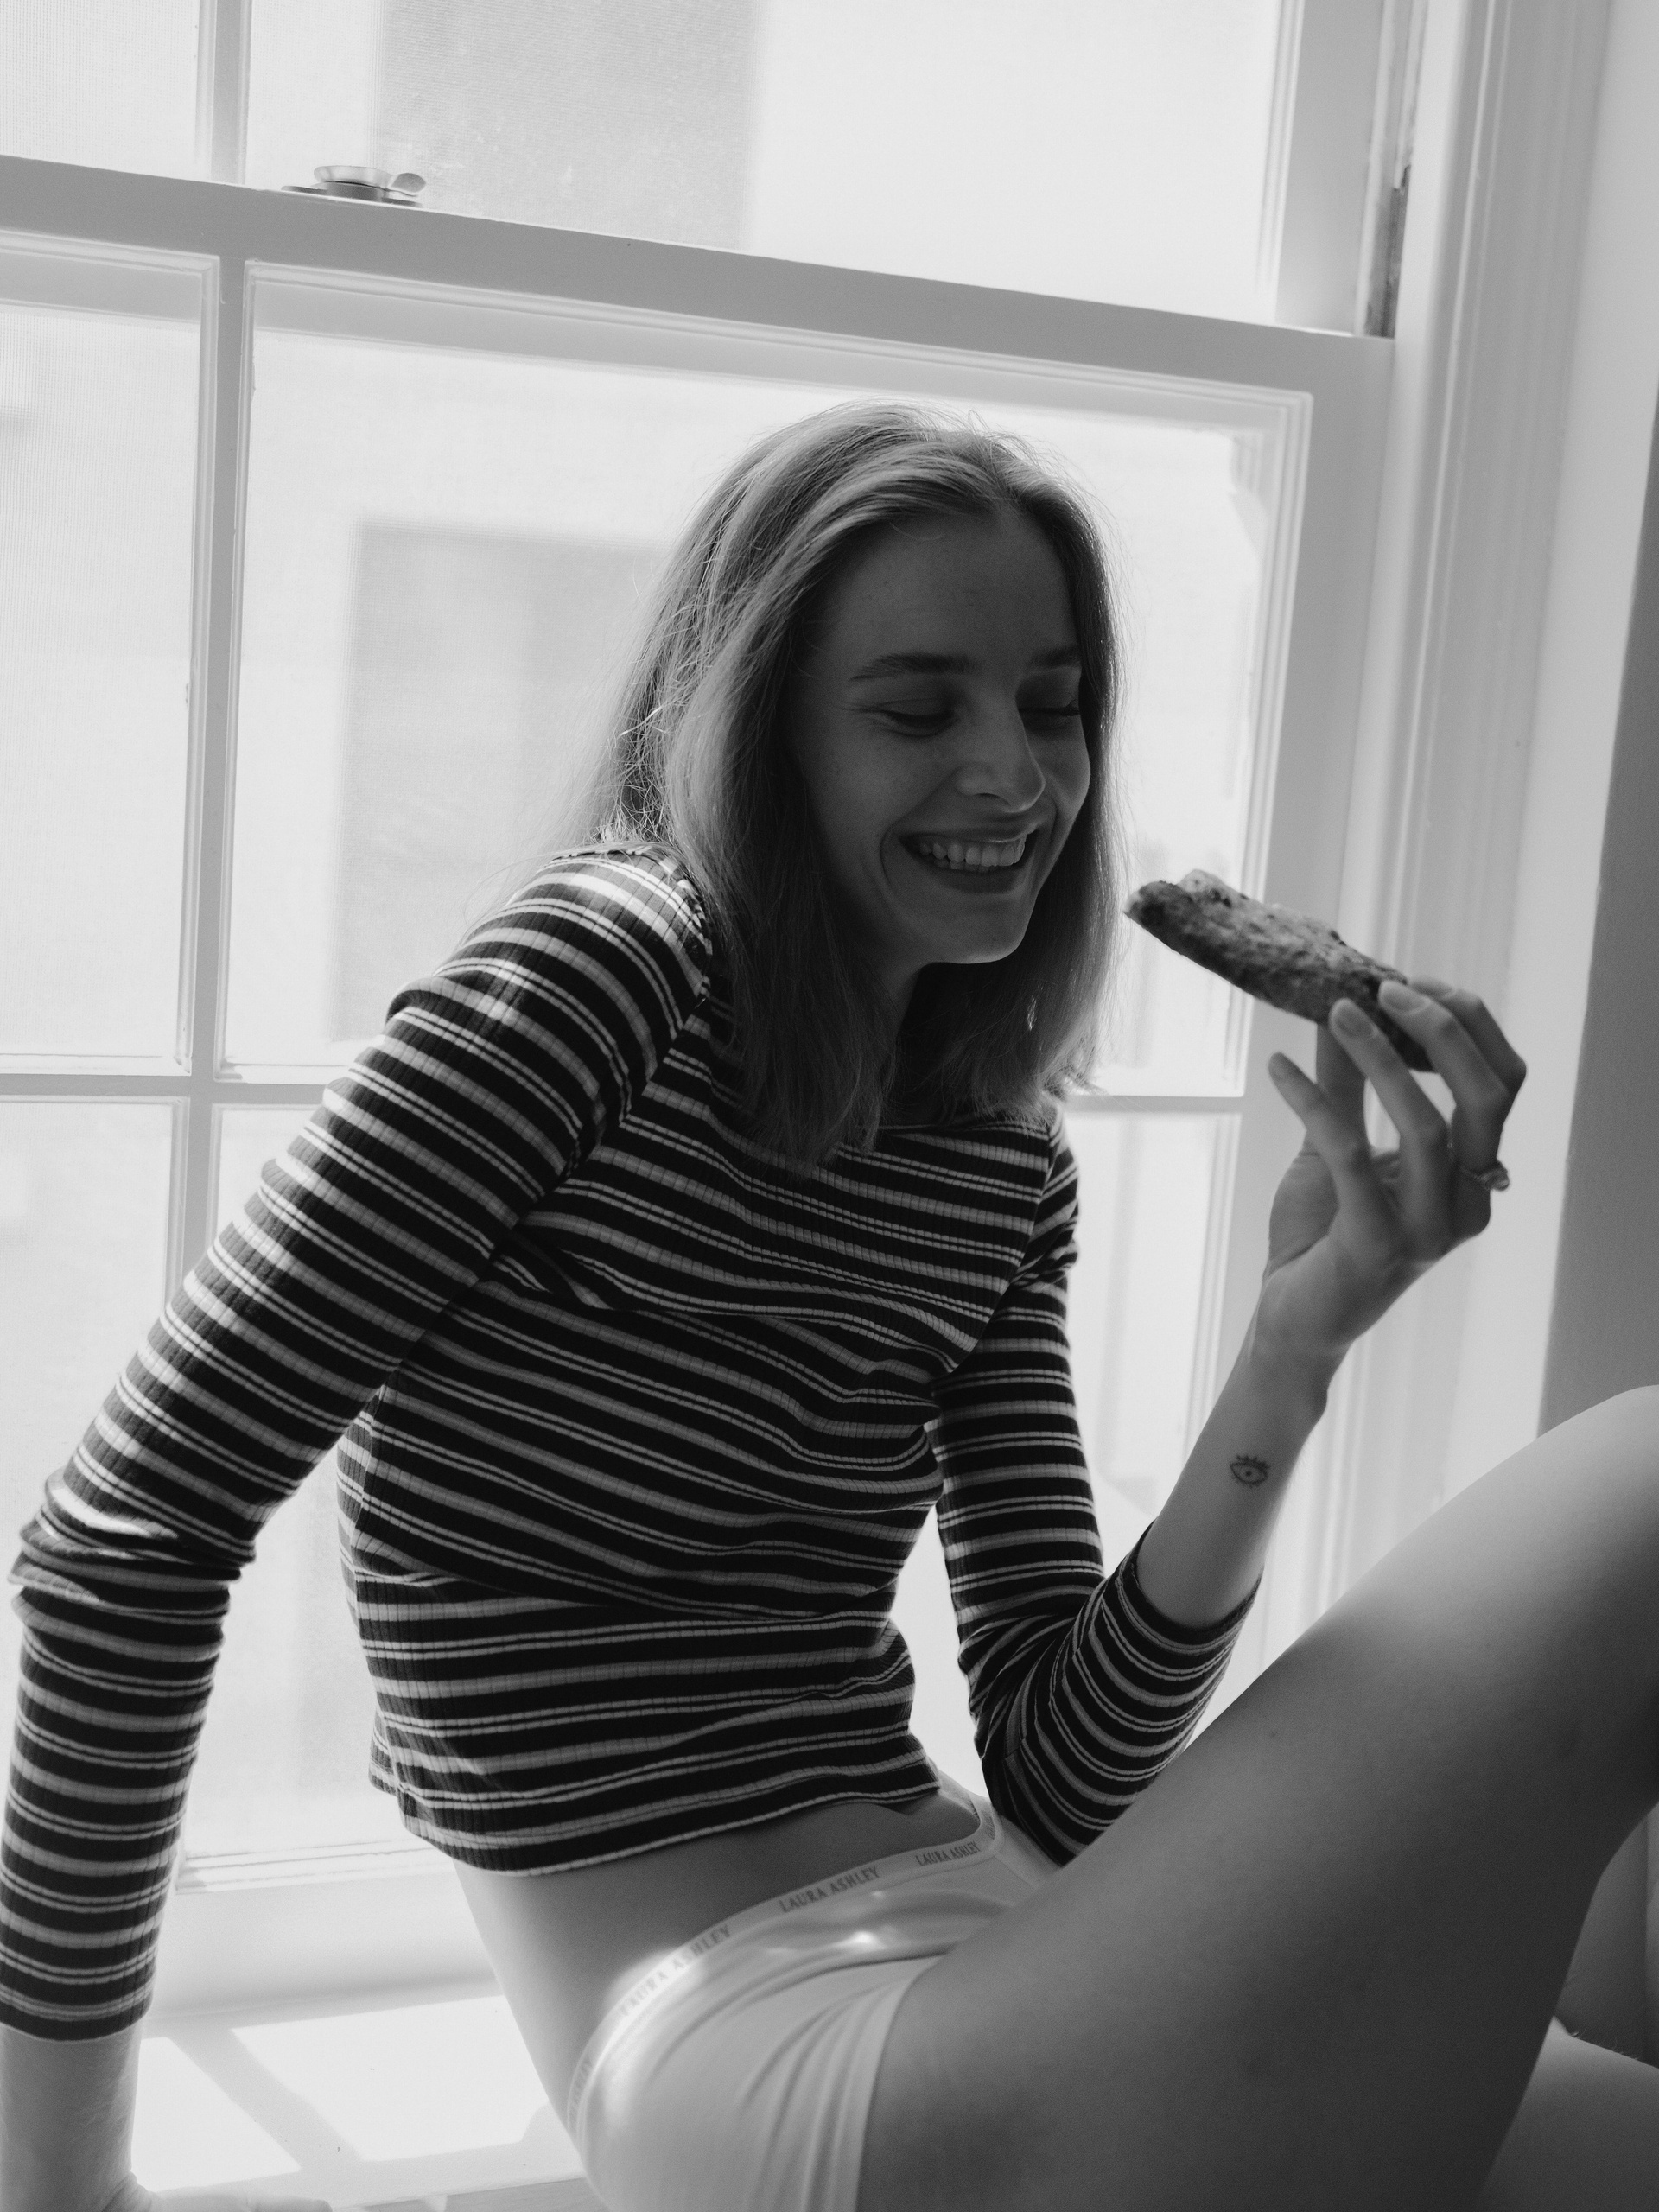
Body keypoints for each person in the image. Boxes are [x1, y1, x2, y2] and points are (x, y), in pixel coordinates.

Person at [1, 401, 1655, 2212]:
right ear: (761, 726)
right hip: (766, 2046)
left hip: (1016, 1939)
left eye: (1053, 702)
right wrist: (65, 2187)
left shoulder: (996, 1155)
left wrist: (1297, 1342)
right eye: (917, 709)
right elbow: (123, 1540)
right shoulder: (599, 982)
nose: (1016, 777)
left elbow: (1062, 1769)